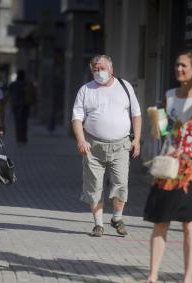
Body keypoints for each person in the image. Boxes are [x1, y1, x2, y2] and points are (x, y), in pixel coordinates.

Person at [143, 50, 192, 283]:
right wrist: (156, 123)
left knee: (189, 224)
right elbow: (164, 132)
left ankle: (187, 279)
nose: (178, 69)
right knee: (160, 222)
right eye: (177, 65)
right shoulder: (169, 95)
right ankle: (153, 276)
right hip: (169, 167)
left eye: (184, 66)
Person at [72, 55, 142, 237]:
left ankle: (117, 218)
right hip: (93, 146)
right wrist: (81, 140)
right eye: (95, 69)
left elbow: (136, 114)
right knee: (94, 185)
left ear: (111, 69)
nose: (98, 72)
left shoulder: (125, 87)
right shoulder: (86, 90)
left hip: (121, 145)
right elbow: (77, 118)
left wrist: (137, 139)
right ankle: (98, 224)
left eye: (101, 68)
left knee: (120, 183)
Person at [8, 70, 35, 143]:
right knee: (24, 122)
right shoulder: (27, 83)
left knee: (17, 122)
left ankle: (18, 137)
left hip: (16, 105)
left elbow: (9, 92)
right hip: (25, 105)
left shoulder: (13, 84)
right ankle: (24, 137)